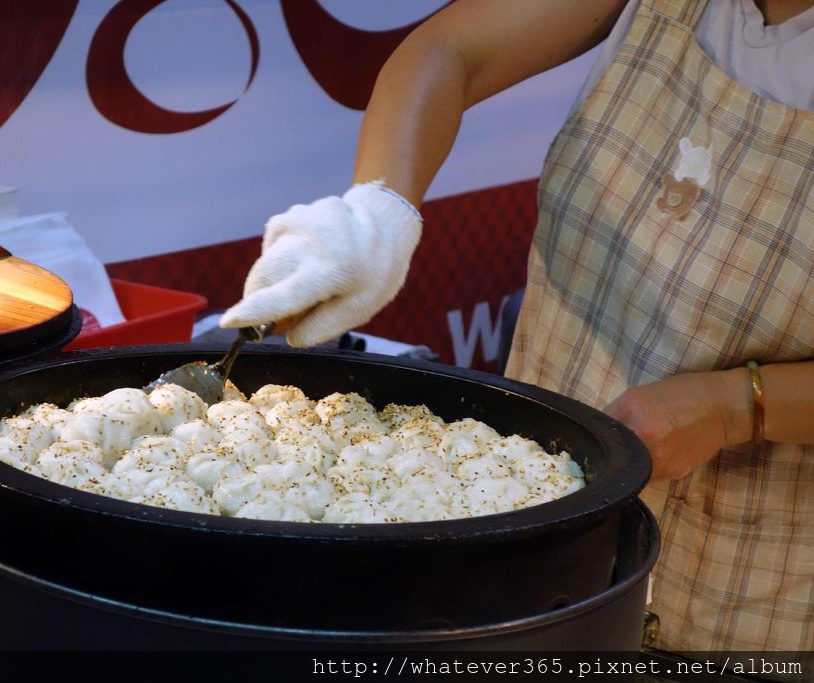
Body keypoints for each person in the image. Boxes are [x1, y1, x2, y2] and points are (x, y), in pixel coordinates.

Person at [220, 0, 814, 652]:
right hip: (537, 525)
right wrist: (376, 215)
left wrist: (738, 406)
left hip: (755, 585)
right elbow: (450, 54)